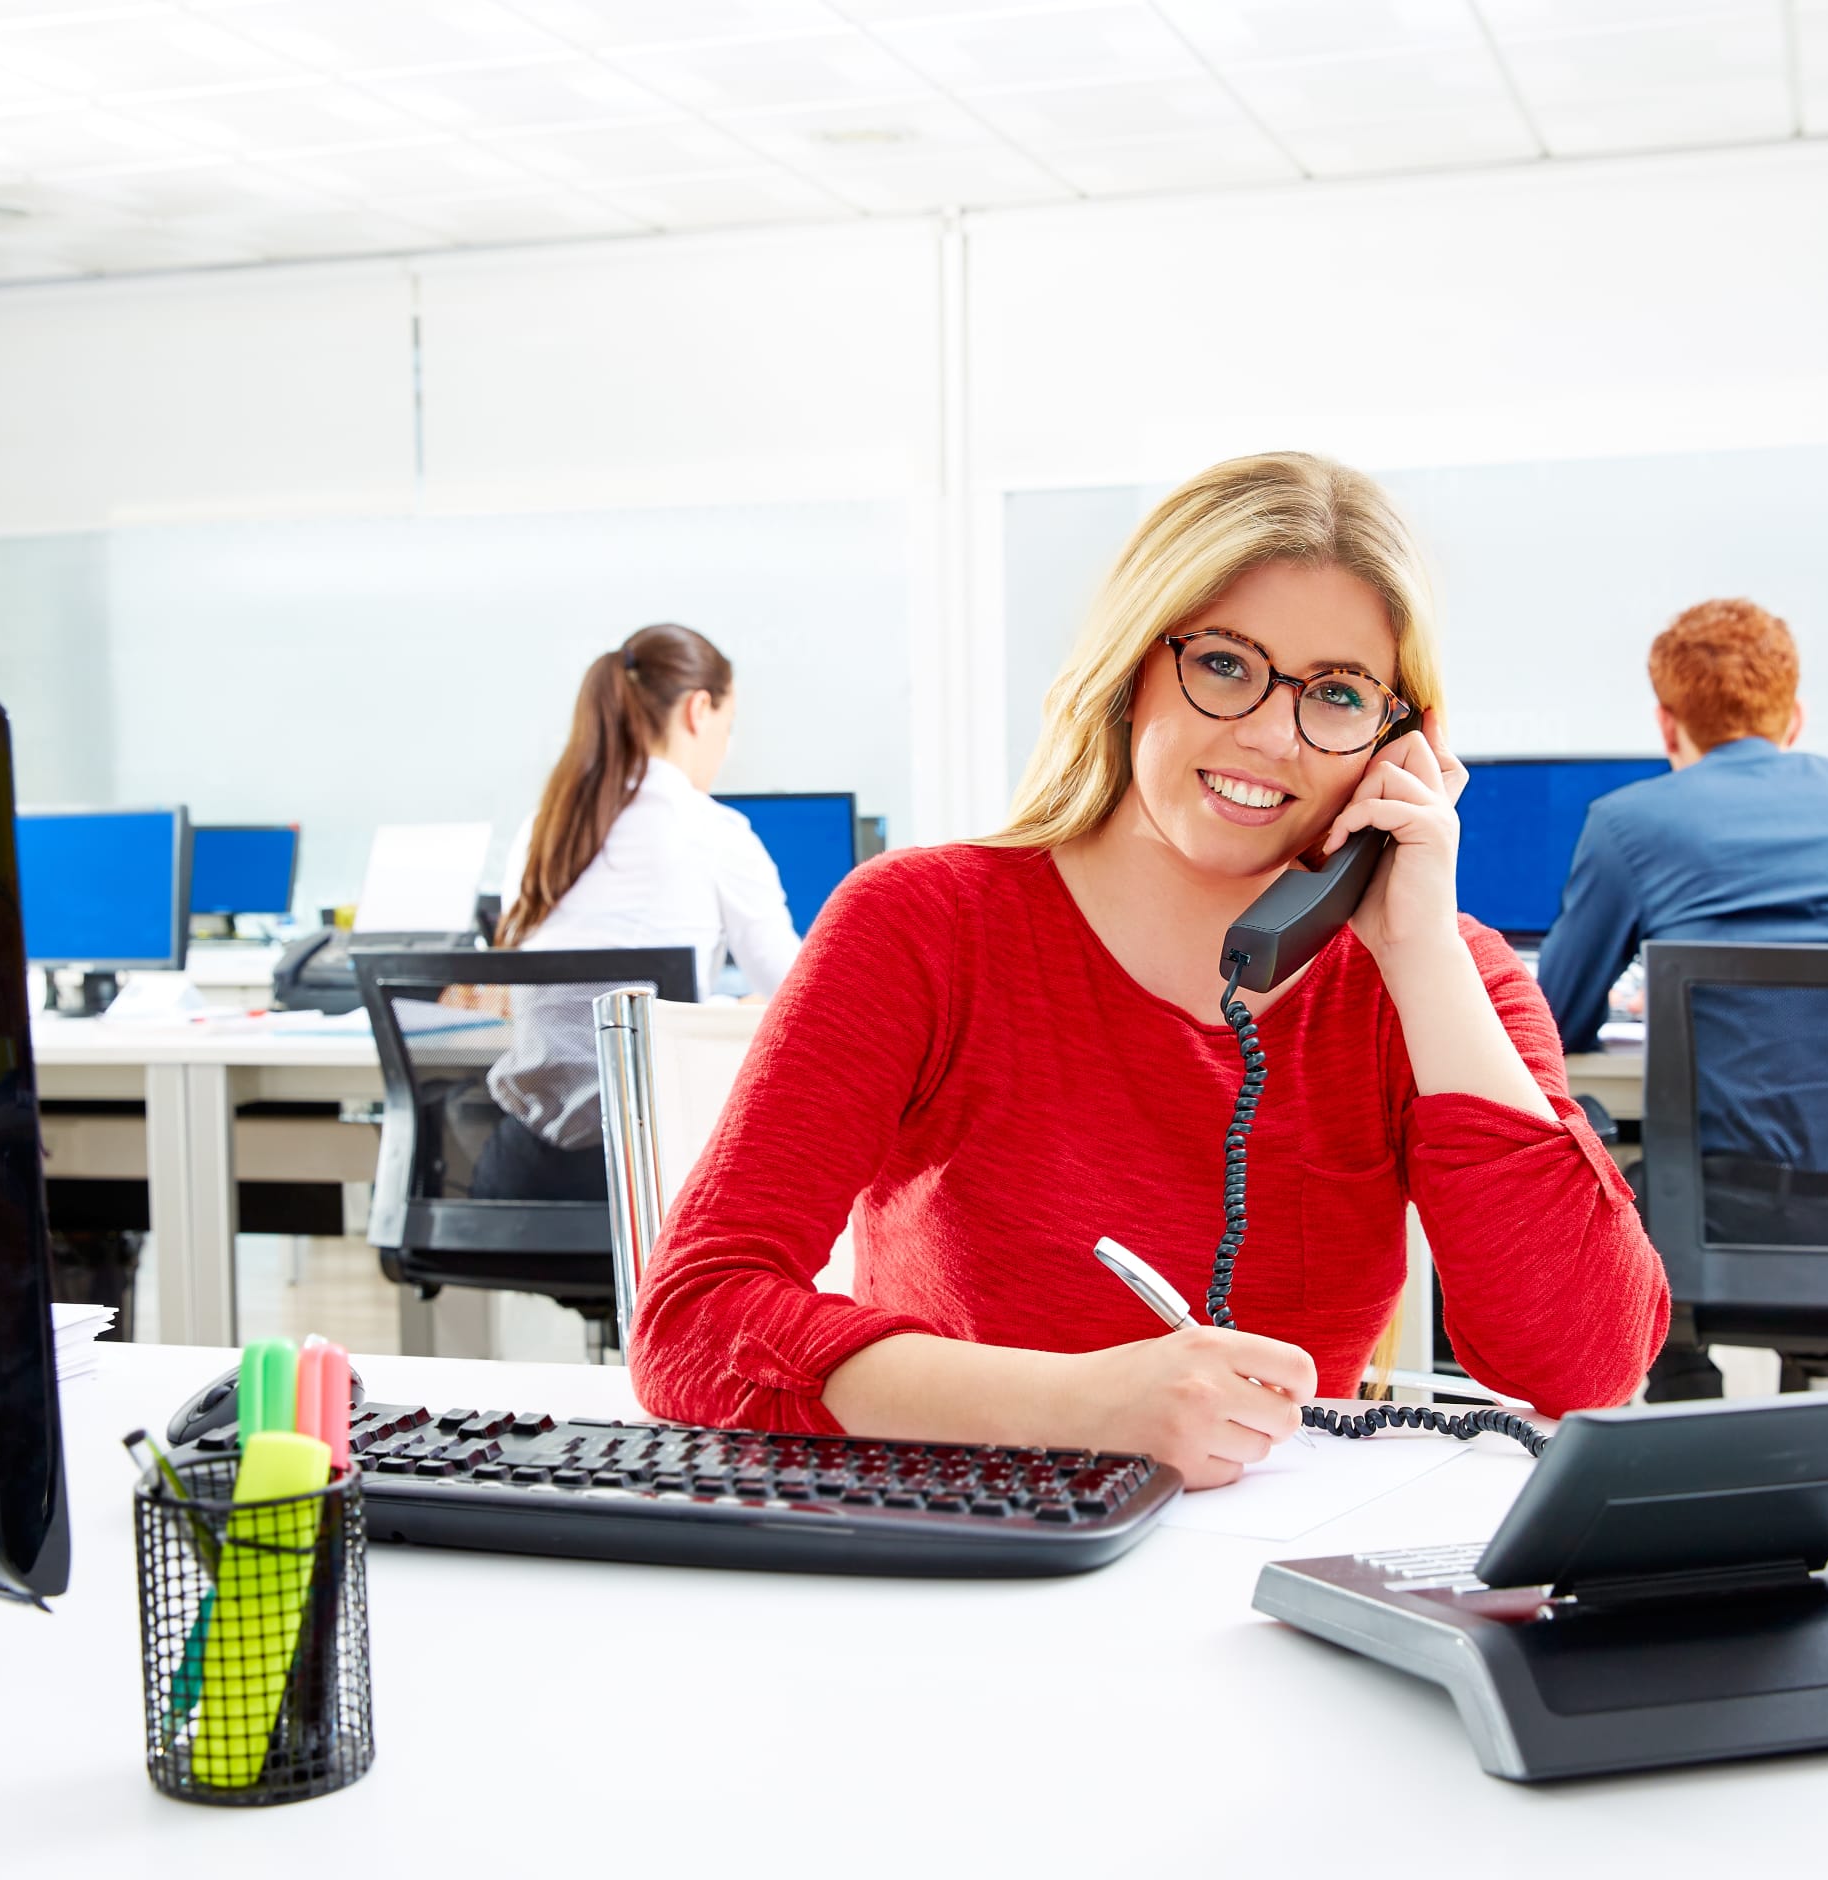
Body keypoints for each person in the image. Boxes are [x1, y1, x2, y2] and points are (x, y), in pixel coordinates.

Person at [631, 453, 1668, 1487]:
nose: (1270, 735)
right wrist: (1084, 1407)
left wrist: (1419, 954)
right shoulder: (924, 922)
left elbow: (1585, 1366)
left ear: (1402, 744)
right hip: (970, 1544)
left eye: (1340, 693)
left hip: (1277, 1589)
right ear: (1132, 666)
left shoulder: (1448, 978)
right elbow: (694, 1318)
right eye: (1223, 663)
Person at [1540, 599, 1828, 1399]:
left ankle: (1687, 1411)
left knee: (1637, 1207)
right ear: (1795, 717)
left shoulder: (1628, 819)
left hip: (1727, 1219)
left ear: (1667, 727)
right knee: (1805, 1202)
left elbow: (1553, 1022)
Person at [478, 623, 800, 1202]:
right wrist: (732, 1010)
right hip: (649, 1187)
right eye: (729, 727)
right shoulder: (712, 831)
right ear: (700, 710)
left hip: (522, 1175)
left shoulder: (541, 830)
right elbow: (804, 999)